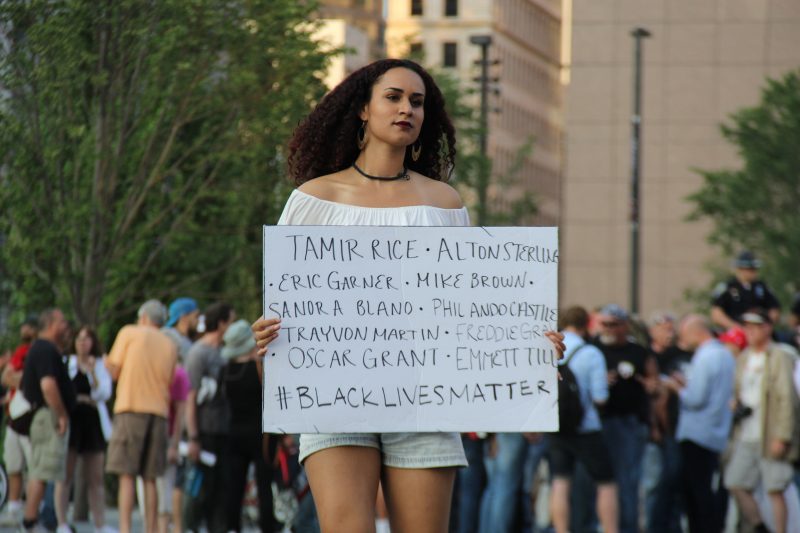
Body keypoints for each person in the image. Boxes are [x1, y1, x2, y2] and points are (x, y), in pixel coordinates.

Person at [251, 58, 566, 533]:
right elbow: (286, 308)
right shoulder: (313, 199)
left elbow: (466, 308)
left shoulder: (444, 203)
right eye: (394, 97)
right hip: (335, 396)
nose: (406, 109)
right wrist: (265, 335)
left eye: (417, 102)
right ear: (362, 109)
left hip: (426, 399)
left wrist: (527, 348)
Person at [105, 300, 177, 533]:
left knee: (127, 475)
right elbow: (170, 380)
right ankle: (151, 529)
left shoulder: (129, 332)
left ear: (144, 316)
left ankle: (125, 529)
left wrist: (106, 363)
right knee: (150, 477)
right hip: (159, 412)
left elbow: (114, 371)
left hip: (131, 408)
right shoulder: (170, 344)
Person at [724, 310, 799, 533]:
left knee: (775, 488)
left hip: (770, 430)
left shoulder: (779, 356)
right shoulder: (744, 357)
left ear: (767, 328)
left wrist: (783, 435)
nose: (750, 331)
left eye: (755, 326)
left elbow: (787, 398)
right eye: (746, 326)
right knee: (735, 482)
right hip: (746, 431)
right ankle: (759, 526)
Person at [548, 306, 617, 533]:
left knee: (560, 481)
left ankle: (561, 530)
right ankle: (609, 530)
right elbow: (600, 398)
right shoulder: (591, 353)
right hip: (586, 427)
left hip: (557, 424)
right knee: (606, 482)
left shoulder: (548, 348)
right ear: (585, 324)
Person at [664, 315, 735, 533]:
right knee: (708, 487)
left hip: (697, 432)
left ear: (696, 332)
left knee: (696, 490)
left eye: (684, 334)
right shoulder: (725, 353)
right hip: (718, 429)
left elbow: (695, 398)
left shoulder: (705, 357)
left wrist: (677, 388)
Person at [594, 303, 654, 533]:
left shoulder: (637, 352)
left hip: (628, 422)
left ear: (624, 326)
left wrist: (651, 386)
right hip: (600, 422)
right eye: (604, 324)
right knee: (601, 482)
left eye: (613, 325)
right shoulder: (593, 349)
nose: (607, 329)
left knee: (626, 482)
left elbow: (654, 382)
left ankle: (627, 528)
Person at [20, 308, 77, 532]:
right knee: (42, 471)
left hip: (46, 415)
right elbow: (48, 386)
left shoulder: (46, 349)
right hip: (47, 416)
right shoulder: (44, 349)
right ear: (51, 324)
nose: (66, 326)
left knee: (44, 470)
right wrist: (61, 414)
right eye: (62, 322)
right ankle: (30, 522)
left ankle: (32, 520)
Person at [54, 326, 115, 533]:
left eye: (87, 339)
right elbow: (64, 390)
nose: (83, 343)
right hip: (73, 420)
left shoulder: (99, 364)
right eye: (79, 339)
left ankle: (100, 523)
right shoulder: (67, 363)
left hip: (92, 421)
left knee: (95, 476)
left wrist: (92, 374)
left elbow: (103, 393)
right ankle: (62, 522)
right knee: (66, 474)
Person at [183, 302, 236, 533]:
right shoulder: (198, 354)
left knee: (223, 490)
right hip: (205, 432)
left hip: (224, 430)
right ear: (222, 323)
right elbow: (190, 397)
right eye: (231, 321)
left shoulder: (225, 352)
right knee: (202, 490)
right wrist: (193, 436)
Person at [220, 319, 276, 533]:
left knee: (234, 487)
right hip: (261, 436)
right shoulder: (258, 369)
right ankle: (267, 529)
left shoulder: (225, 372)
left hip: (234, 432)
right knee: (264, 488)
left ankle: (232, 528)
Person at [643, 311, 691, 533]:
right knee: (654, 482)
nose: (668, 333)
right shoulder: (647, 356)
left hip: (678, 427)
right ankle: (653, 526)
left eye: (671, 329)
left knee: (675, 481)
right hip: (655, 428)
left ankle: (672, 526)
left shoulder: (680, 356)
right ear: (652, 331)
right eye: (663, 328)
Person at [0, 314, 38, 526]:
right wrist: (22, 380)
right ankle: (14, 509)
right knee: (14, 464)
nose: (23, 331)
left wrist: (21, 379)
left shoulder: (40, 350)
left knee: (34, 467)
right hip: (14, 416)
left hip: (32, 416)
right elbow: (7, 376)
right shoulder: (21, 352)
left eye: (26, 327)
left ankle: (32, 511)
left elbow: (36, 380)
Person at [711, 251, 781, 329]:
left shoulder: (762, 287)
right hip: (734, 331)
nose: (752, 272)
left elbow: (774, 310)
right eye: (749, 269)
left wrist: (765, 327)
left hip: (759, 330)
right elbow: (717, 314)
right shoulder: (727, 287)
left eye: (754, 269)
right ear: (739, 269)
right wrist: (736, 327)